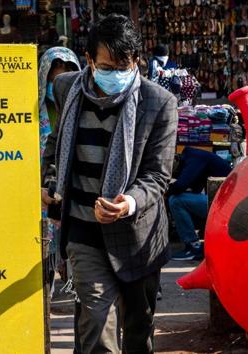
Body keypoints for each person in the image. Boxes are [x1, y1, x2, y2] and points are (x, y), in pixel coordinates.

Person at [43, 13, 178, 354]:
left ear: (137, 62)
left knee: (138, 332)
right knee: (97, 323)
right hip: (84, 231)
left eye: (124, 66)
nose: (116, 74)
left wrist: (127, 203)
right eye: (106, 66)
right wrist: (49, 180)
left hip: (137, 235)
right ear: (89, 60)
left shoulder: (159, 103)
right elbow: (55, 144)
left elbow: (157, 176)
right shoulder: (66, 89)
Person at [38, 47, 80, 302]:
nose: (60, 83)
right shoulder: (32, 113)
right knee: (46, 245)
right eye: (55, 77)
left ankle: (77, 290)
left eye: (67, 75)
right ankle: (45, 295)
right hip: (43, 189)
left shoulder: (80, 108)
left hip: (74, 186)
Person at [168, 147, 232, 261]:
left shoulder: (194, 157)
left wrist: (163, 191)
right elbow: (195, 189)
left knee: (175, 201)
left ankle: (194, 247)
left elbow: (181, 185)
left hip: (225, 206)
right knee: (180, 198)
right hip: (223, 203)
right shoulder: (196, 157)